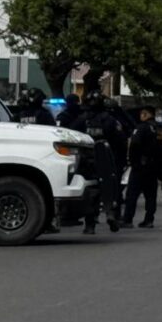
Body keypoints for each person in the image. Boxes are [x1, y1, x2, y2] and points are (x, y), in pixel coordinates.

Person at [71, 90, 125, 234]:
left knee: (91, 191)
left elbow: (71, 136)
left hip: (87, 161)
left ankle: (90, 225)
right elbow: (121, 140)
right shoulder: (110, 120)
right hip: (106, 160)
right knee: (110, 188)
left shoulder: (82, 119)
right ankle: (111, 214)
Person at [121, 105, 160, 229]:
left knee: (132, 193)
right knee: (151, 194)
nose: (140, 116)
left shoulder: (142, 127)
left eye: (142, 113)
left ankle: (127, 220)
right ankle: (149, 220)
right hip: (155, 165)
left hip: (141, 165)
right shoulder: (161, 128)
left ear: (146, 114)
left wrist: (133, 161)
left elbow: (135, 144)